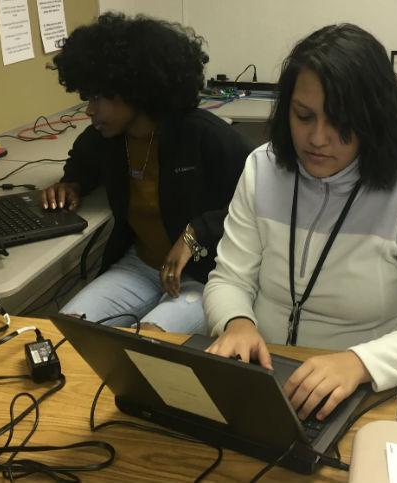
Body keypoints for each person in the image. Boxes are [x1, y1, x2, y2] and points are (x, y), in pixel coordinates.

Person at [203, 24, 397, 421]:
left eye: (341, 121)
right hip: (267, 378)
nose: (318, 138)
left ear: (373, 118)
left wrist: (359, 363)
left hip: (363, 390)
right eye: (303, 116)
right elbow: (229, 279)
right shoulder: (262, 168)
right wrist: (236, 323)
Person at [43, 13, 252, 333]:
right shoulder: (106, 138)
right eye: (88, 98)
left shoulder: (206, 136)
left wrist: (196, 231)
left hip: (205, 275)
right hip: (138, 267)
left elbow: (256, 206)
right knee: (65, 332)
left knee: (148, 346)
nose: (89, 110)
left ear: (134, 90)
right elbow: (82, 160)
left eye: (98, 98)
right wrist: (72, 183)